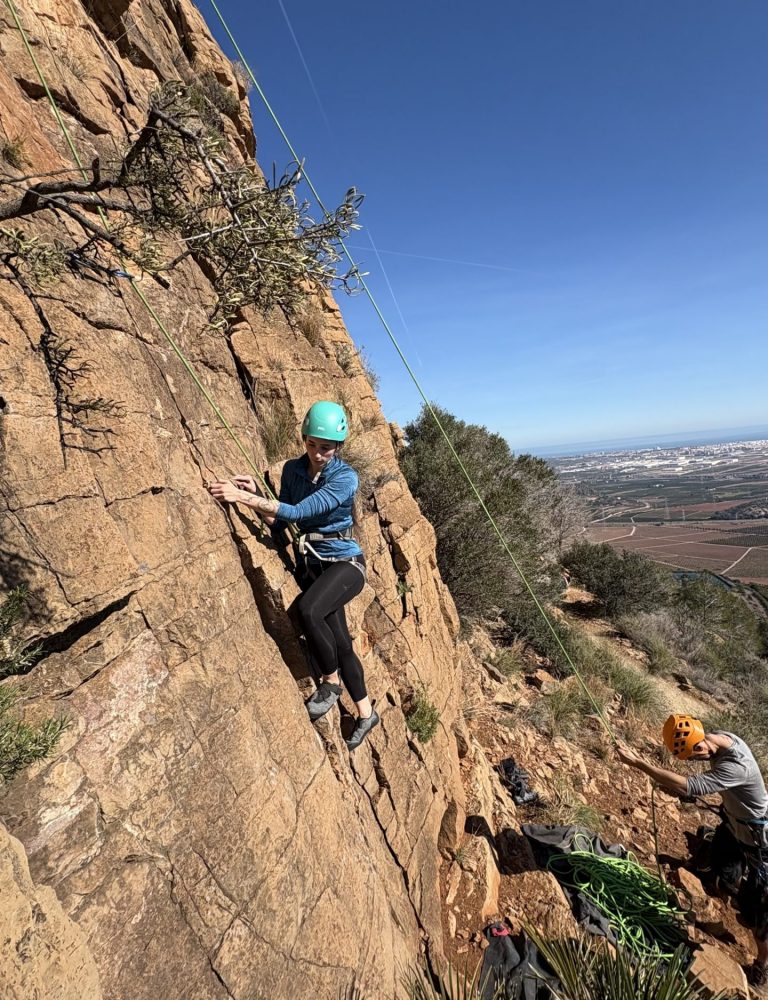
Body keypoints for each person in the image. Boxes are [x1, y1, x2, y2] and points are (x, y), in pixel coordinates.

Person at [207, 400, 379, 752]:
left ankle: (330, 684)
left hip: (345, 563)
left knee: (309, 610)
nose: (318, 453)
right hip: (313, 565)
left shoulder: (345, 478)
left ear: (338, 446)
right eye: (312, 444)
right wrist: (256, 496)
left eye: (326, 447)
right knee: (341, 642)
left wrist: (240, 496)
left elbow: (301, 511)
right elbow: (281, 522)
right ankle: (366, 714)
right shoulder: (291, 470)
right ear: (304, 439)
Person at [616, 714, 768, 986]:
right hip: (734, 825)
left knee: (759, 915)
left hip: (758, 842)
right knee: (720, 866)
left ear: (700, 742)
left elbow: (691, 786)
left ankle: (761, 965)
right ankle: (728, 884)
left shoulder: (738, 766)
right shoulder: (720, 739)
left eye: (694, 754)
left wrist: (639, 763)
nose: (696, 759)